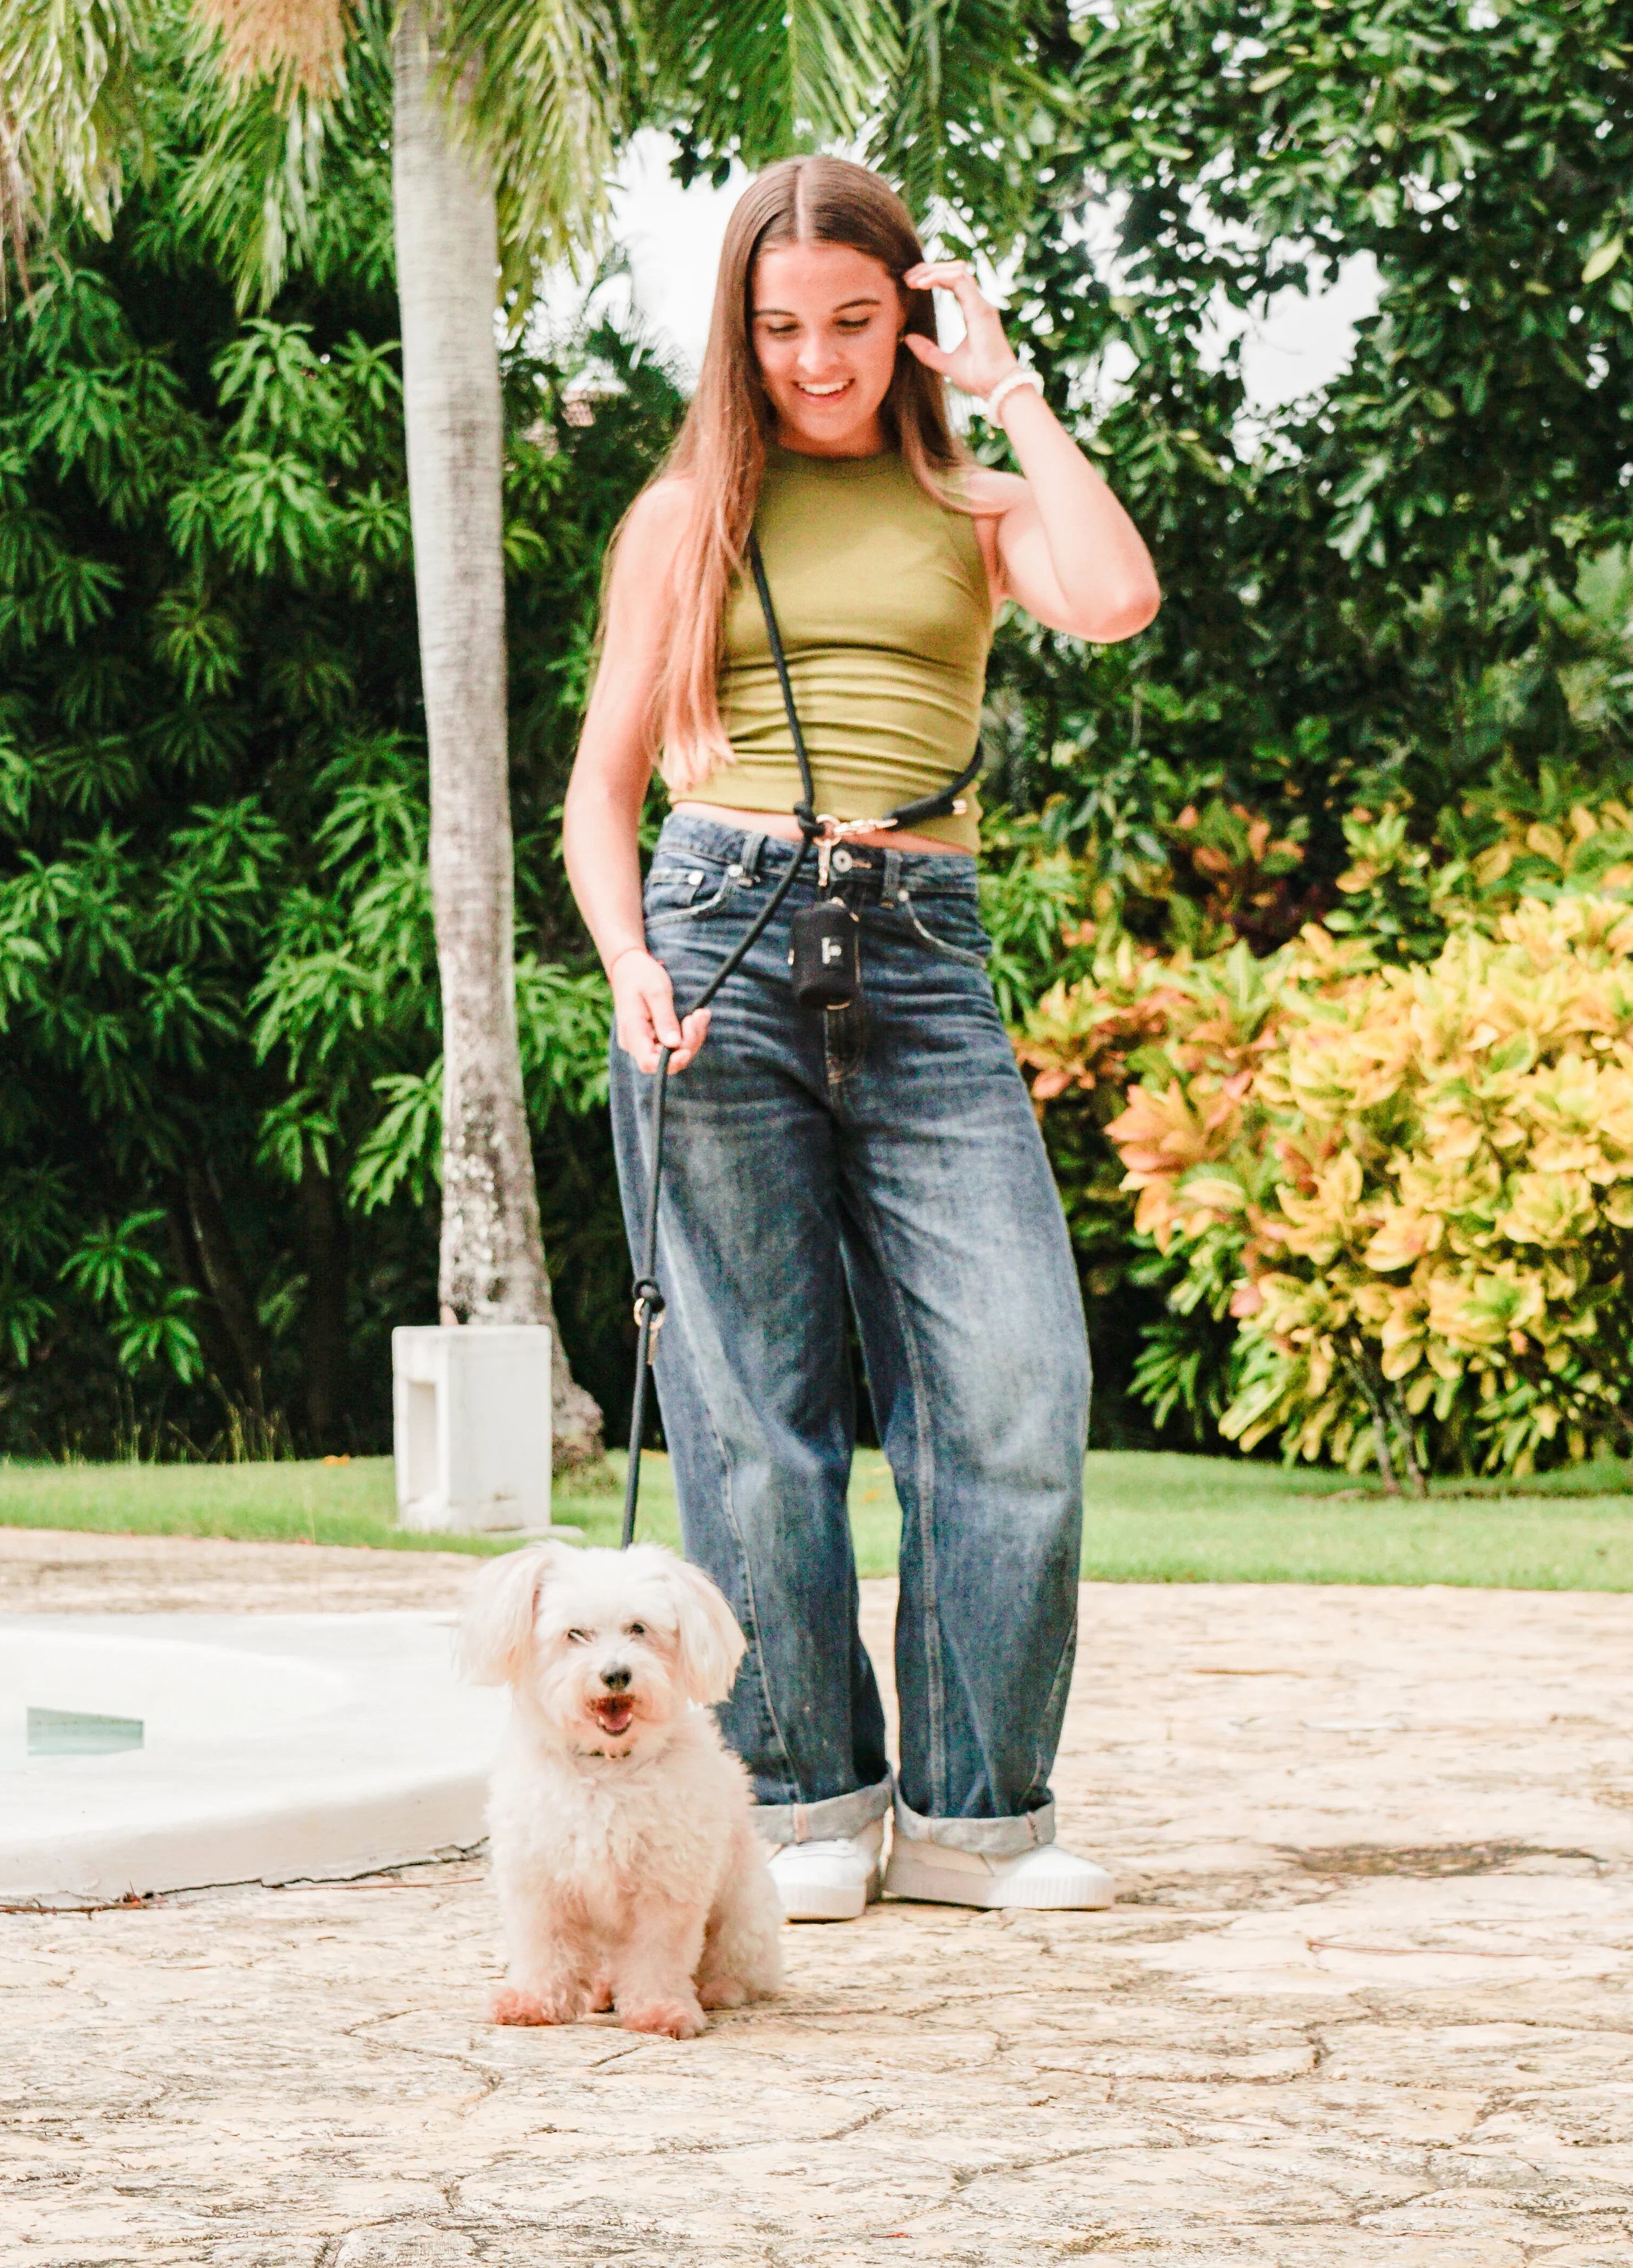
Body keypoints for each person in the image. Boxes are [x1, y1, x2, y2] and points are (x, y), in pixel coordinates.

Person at [563, 154, 1159, 1921]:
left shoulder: (977, 501)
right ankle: (807, 1801)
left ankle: (980, 1820)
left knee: (1016, 1386)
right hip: (718, 938)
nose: (817, 358)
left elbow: (1115, 595)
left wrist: (1011, 387)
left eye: (851, 319)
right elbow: (601, 791)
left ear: (909, 317)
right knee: (754, 1411)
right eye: (779, 326)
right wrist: (627, 958)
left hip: (923, 949)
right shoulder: (687, 516)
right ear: (735, 333)